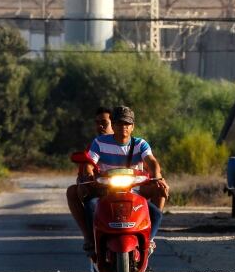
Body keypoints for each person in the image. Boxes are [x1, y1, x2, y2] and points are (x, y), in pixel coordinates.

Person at [84, 105, 169, 255]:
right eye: (119, 123)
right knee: (91, 205)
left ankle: (148, 242)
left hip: (134, 192)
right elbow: (90, 163)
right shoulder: (99, 142)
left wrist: (157, 176)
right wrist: (90, 174)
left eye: (127, 123)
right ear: (113, 125)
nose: (123, 127)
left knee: (155, 214)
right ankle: (94, 243)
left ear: (132, 126)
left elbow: (151, 162)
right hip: (106, 191)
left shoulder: (140, 144)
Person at [67, 106, 113, 253]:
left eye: (104, 123)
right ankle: (90, 237)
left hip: (126, 189)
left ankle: (148, 240)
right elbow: (85, 169)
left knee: (156, 194)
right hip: (99, 190)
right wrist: (85, 180)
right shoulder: (93, 145)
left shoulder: (131, 143)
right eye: (97, 122)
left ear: (115, 124)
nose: (100, 126)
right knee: (81, 196)